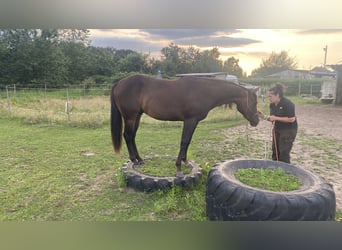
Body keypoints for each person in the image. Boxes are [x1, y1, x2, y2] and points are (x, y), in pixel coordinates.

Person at [258, 83, 298, 163]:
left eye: (270, 96)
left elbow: (291, 119)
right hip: (277, 129)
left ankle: (285, 170)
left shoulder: (288, 104)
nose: (269, 98)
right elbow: (272, 119)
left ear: (277, 95)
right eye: (268, 96)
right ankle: (275, 168)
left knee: (284, 152)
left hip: (288, 130)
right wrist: (263, 116)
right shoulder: (272, 105)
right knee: (275, 150)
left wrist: (276, 118)